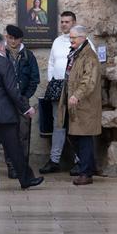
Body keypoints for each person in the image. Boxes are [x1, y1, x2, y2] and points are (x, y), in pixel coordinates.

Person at [0, 32, 44, 192]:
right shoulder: (4, 63)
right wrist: (26, 108)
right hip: (3, 114)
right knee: (15, 148)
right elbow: (12, 90)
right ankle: (26, 180)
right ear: (0, 46)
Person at [58, 25, 101, 185]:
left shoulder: (89, 56)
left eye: (73, 38)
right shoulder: (76, 54)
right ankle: (88, 166)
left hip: (85, 106)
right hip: (74, 105)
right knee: (74, 136)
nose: (71, 40)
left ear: (83, 37)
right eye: (70, 38)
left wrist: (77, 95)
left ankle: (86, 173)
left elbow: (89, 80)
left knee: (83, 138)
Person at [40, 11, 75, 174]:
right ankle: (54, 160)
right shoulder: (57, 41)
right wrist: (52, 79)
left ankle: (79, 160)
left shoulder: (84, 41)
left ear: (74, 23)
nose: (64, 24)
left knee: (76, 124)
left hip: (75, 88)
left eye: (67, 22)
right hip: (57, 86)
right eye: (62, 21)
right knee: (58, 124)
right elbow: (51, 62)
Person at [2, 25, 39, 179]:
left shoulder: (28, 55)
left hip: (22, 100)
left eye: (15, 39)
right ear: (6, 37)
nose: (12, 41)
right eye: (10, 38)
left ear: (20, 39)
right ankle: (11, 166)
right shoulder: (1, 54)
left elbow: (34, 78)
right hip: (6, 100)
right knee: (8, 134)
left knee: (23, 134)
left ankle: (22, 166)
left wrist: (25, 96)